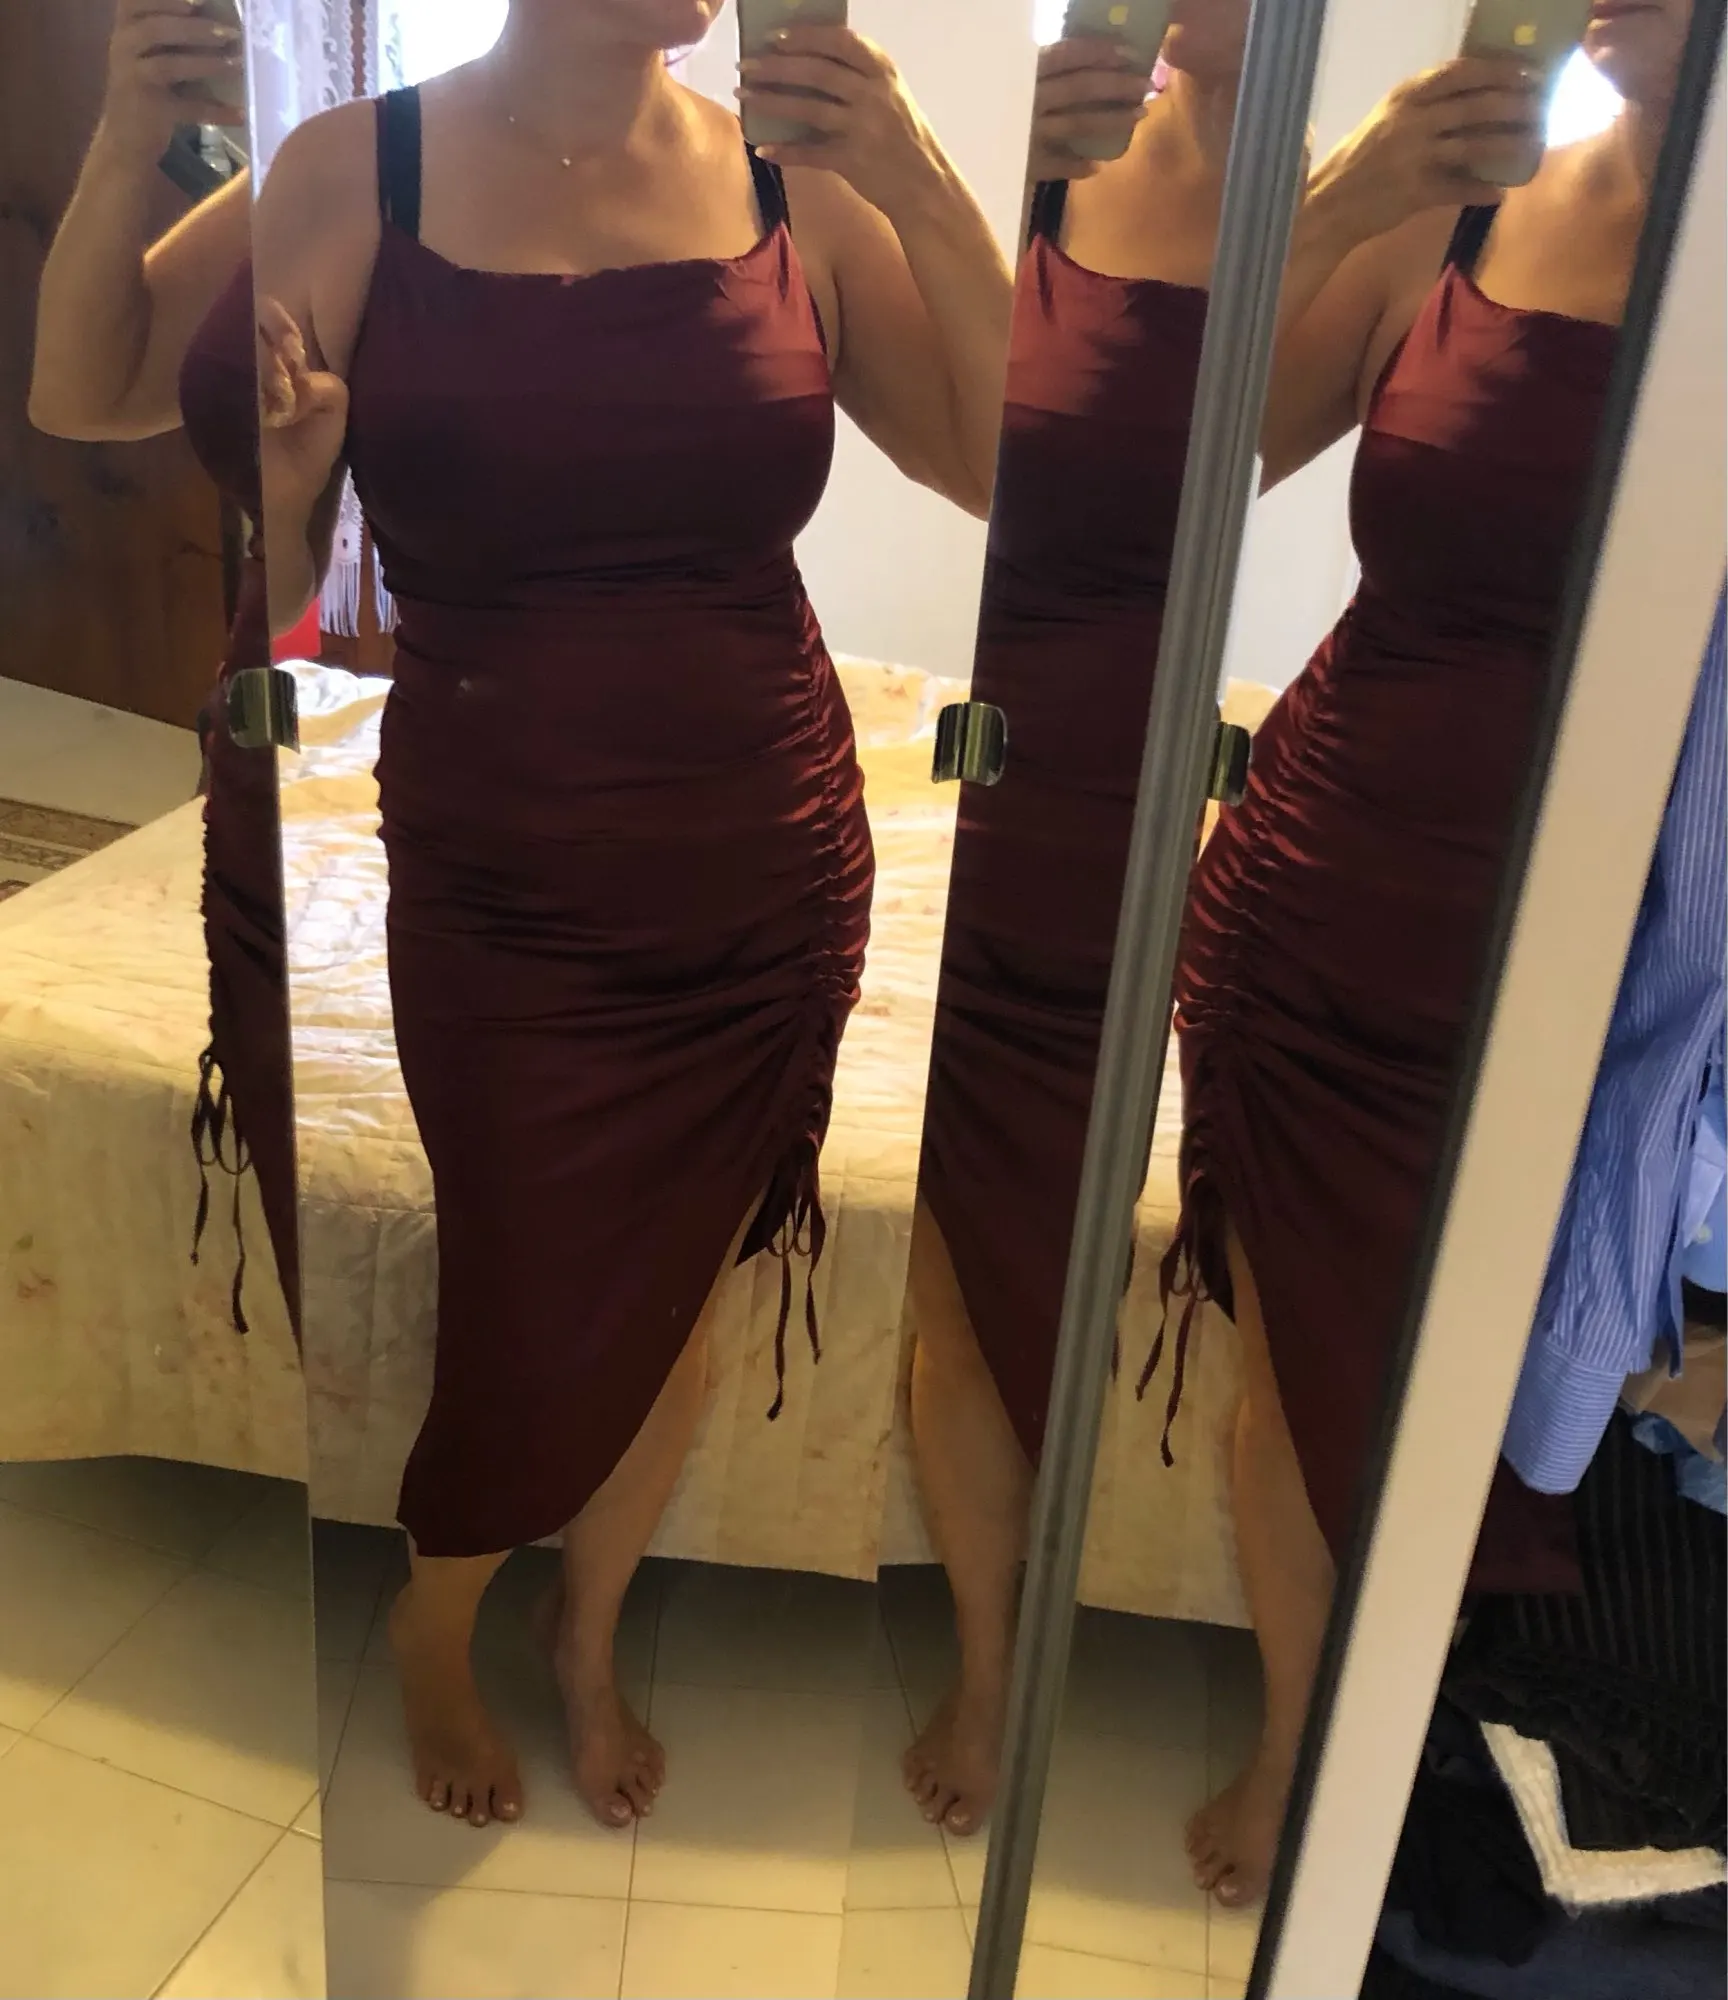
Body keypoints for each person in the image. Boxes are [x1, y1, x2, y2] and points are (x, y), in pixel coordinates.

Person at [238, 0, 1013, 1833]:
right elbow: (251, 595)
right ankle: (437, 1623)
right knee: (527, 1294)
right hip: (502, 880)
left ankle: (584, 1638)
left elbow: (1004, 470)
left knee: (672, 1295)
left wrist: (917, 174)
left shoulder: (802, 184)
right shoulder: (347, 174)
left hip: (766, 861)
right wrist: (286, 480)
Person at [1167, 0, 1698, 1909]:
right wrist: (1341, 196)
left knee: (1472, 1387)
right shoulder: (1464, 198)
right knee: (1285, 1371)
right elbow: (1185, 463)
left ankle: (1414, 1725)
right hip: (1315, 895)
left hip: (1580, 964)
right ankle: (1299, 1741)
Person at [904, 0, 1250, 1839]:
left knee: (1088, 1248)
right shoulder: (1033, 152)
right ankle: (988, 1664)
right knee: (965, 1268)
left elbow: (1268, 473)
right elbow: (971, 449)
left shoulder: (1369, 201)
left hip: (1157, 807)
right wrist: (997, 181)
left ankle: (1045, 1634)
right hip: (1001, 791)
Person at [29, 2, 301, 1341]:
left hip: (590, 761)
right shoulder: (337, 164)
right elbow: (83, 394)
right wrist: (131, 132)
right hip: (299, 739)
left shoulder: (734, 189)